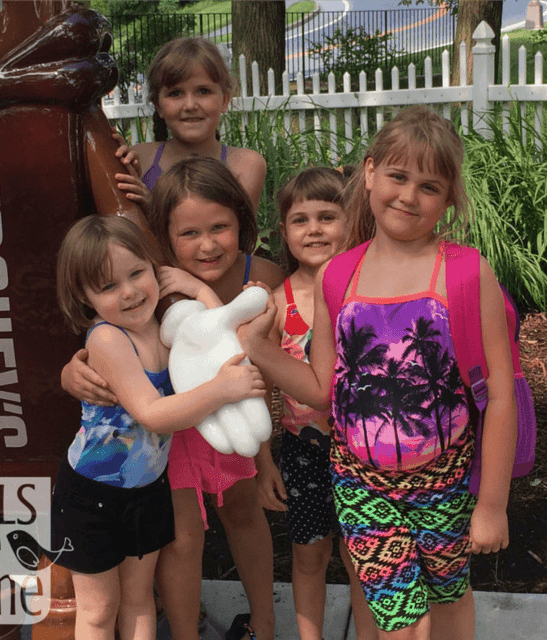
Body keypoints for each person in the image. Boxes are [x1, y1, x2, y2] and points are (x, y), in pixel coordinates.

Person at [239, 106, 517, 640]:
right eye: (397, 176)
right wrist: (259, 348)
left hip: (446, 481)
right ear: (369, 173)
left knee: (450, 594)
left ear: (449, 199)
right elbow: (322, 391)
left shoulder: (464, 272)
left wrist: (493, 505)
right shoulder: (339, 275)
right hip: (362, 484)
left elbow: (499, 396)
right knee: (402, 624)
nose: (409, 196)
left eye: (429, 186)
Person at [62, 157, 285, 640]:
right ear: (163, 238)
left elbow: (242, 357)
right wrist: (70, 372)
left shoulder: (256, 276)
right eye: (188, 234)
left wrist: (202, 290)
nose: (206, 244)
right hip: (162, 445)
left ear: (241, 224)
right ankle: (188, 633)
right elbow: (116, 360)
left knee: (241, 515)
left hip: (225, 424)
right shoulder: (147, 292)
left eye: (220, 227)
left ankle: (263, 623)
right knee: (180, 543)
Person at [254, 167, 377, 640]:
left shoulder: (367, 291)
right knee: (308, 553)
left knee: (362, 556)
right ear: (282, 232)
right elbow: (261, 389)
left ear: (352, 221)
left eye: (328, 216)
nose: (314, 229)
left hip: (366, 453)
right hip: (304, 452)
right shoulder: (275, 303)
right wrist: (265, 463)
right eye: (300, 219)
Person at [113, 36, 267, 212]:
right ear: (158, 106)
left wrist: (153, 207)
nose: (190, 105)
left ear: (225, 100)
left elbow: (231, 234)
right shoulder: (142, 158)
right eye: (176, 93)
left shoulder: (245, 165)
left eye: (203, 91)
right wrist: (114, 161)